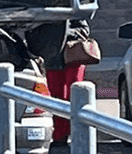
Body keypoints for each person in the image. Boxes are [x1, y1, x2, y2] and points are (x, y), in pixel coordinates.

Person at [24, 19, 91, 147]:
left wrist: (70, 35)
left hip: (72, 56)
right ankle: (60, 137)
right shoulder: (43, 13)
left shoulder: (70, 7)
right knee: (57, 99)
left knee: (75, 96)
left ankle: (78, 135)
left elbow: (84, 27)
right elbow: (32, 32)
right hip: (52, 58)